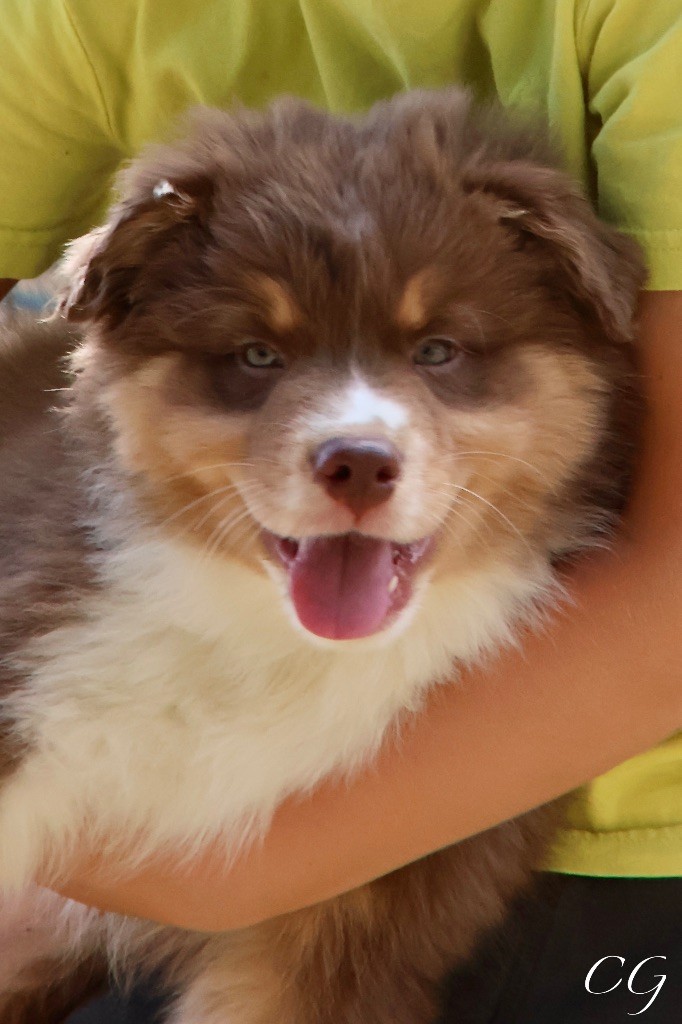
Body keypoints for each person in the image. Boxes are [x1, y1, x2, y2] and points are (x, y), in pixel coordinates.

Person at [0, 1, 680, 1021]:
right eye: (257, 356)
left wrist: (220, 880)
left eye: (439, 352)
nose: (354, 437)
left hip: (587, 819)